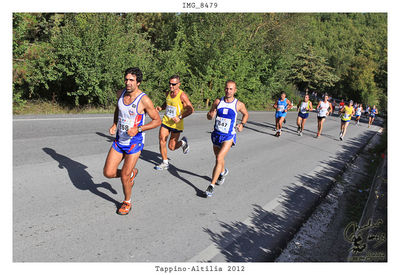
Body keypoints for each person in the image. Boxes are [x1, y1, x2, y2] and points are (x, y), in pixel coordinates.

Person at [103, 67, 161, 215]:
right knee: (108, 173)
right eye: (126, 79)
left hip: (134, 142)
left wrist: (139, 129)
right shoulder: (120, 94)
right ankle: (131, 174)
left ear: (138, 82)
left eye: (131, 80)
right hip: (119, 140)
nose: (128, 83)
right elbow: (118, 109)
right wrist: (115, 124)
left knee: (123, 176)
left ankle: (127, 202)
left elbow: (157, 121)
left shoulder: (144, 100)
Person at [205, 80, 249, 197]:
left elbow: (246, 114)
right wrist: (210, 115)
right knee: (219, 158)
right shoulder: (218, 102)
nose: (228, 91)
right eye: (226, 88)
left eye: (231, 89)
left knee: (219, 157)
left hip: (229, 136)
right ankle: (223, 172)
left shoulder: (238, 104)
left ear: (235, 90)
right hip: (217, 134)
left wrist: (242, 124)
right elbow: (209, 116)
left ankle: (211, 186)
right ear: (224, 89)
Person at [154, 75, 194, 170]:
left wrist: (180, 117)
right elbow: (167, 103)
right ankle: (165, 162)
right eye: (170, 83)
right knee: (162, 139)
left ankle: (183, 143)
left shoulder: (182, 95)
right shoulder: (168, 93)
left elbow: (191, 109)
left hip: (176, 124)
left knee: (172, 147)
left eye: (173, 84)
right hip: (166, 121)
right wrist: (161, 107)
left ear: (178, 84)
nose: (171, 86)